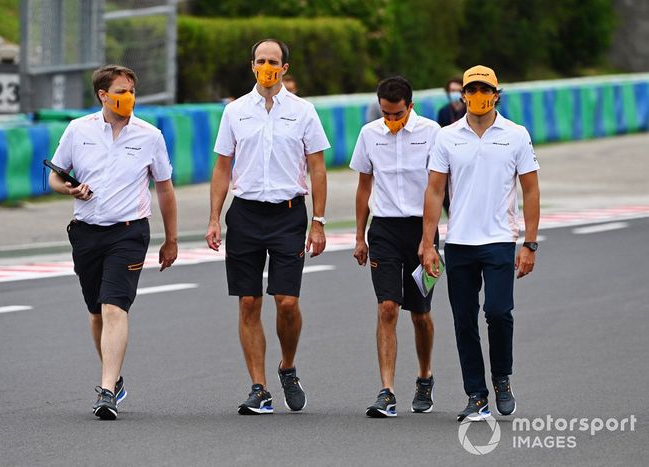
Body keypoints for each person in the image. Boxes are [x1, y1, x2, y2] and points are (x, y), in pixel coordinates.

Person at [205, 38, 330, 415]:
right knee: (248, 302)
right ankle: (258, 387)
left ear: (285, 68)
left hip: (288, 215)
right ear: (252, 65)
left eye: (273, 61)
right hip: (244, 214)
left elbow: (318, 167)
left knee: (287, 302)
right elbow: (222, 166)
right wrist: (214, 216)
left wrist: (319, 221)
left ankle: (287, 366)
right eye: (261, 60)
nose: (267, 66)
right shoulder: (236, 112)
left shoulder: (304, 111)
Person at [48, 65, 178, 420]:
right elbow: (55, 176)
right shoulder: (78, 130)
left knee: (113, 307)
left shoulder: (149, 135)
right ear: (103, 95)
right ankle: (115, 378)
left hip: (130, 232)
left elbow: (164, 188)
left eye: (132, 90)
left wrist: (171, 239)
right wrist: (70, 188)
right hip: (87, 232)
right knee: (96, 313)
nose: (129, 97)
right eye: (121, 91)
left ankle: (106, 392)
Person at [420, 65, 540, 422]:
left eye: (484, 90)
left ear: (496, 95)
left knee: (499, 312)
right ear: (463, 96)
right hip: (459, 243)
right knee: (463, 320)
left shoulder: (516, 135)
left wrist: (530, 243)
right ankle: (476, 394)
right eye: (471, 90)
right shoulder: (447, 136)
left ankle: (502, 377)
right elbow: (434, 190)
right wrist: (428, 243)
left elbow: (531, 189)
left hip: (500, 240)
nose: (477, 95)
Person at [351, 76, 441, 418]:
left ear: (411, 106)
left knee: (420, 313)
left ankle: (424, 376)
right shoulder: (369, 134)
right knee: (387, 307)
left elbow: (441, 188)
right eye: (386, 114)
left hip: (424, 232)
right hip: (384, 229)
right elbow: (363, 188)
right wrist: (360, 236)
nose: (391, 120)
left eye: (398, 114)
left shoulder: (433, 133)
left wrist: (431, 241)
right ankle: (387, 391)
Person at [436, 77, 465, 216]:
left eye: (457, 90)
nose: (454, 93)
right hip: (449, 156)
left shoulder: (469, 110)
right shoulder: (443, 112)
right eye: (451, 91)